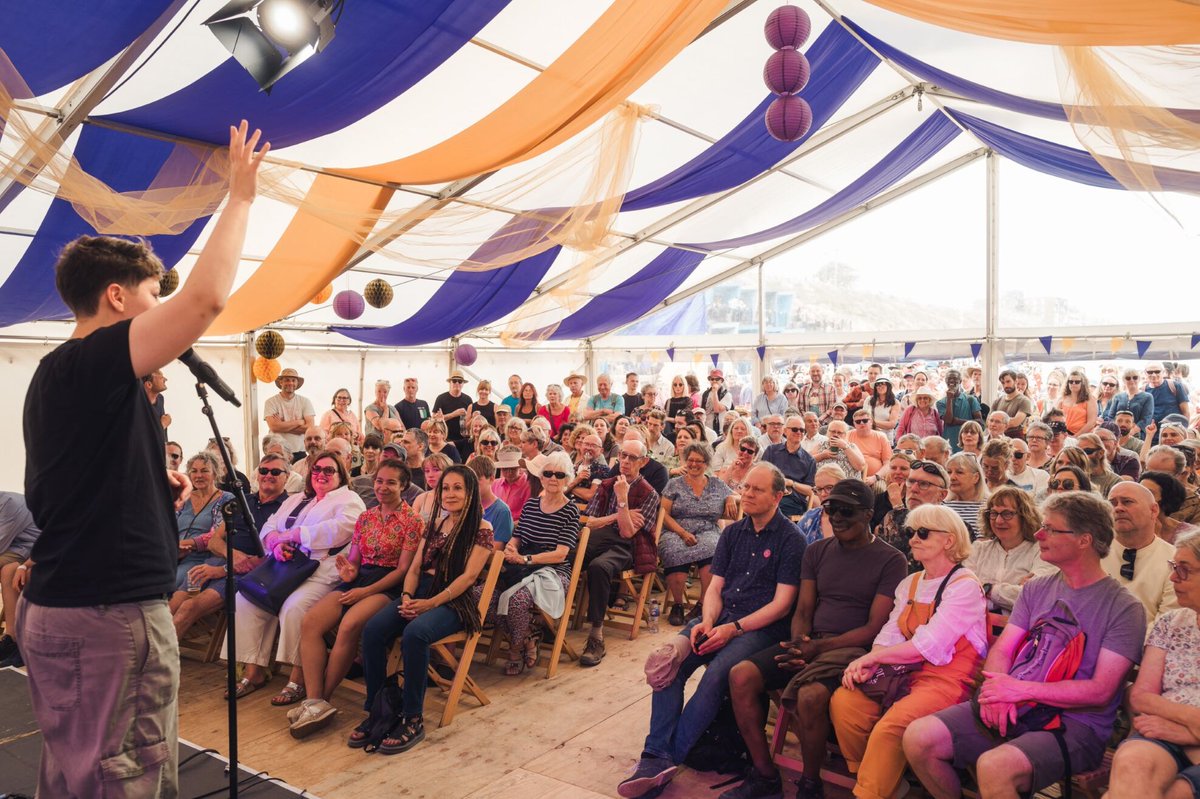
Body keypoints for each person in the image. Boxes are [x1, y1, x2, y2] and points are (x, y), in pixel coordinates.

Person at [14, 123, 264, 799]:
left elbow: (69, 487)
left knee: (76, 775)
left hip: (72, 607)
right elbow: (206, 300)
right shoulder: (90, 360)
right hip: (108, 618)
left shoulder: (62, 377)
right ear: (118, 297)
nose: (161, 314)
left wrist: (153, 478)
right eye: (153, 295)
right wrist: (239, 196)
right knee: (123, 777)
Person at [904, 491, 1147, 799]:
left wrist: (1019, 691)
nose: (1038, 534)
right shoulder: (1037, 588)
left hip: (1074, 724)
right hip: (1013, 703)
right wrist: (997, 693)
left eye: (1051, 529)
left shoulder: (1123, 607)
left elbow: (1100, 691)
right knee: (919, 738)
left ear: (1084, 540)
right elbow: (1003, 650)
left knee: (995, 767)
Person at [617, 464, 805, 799]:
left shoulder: (792, 540)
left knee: (716, 675)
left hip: (761, 628)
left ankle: (664, 760)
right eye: (746, 487)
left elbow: (782, 604)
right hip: (721, 617)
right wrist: (706, 621)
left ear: (778, 496)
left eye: (757, 490)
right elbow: (715, 588)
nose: (747, 494)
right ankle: (656, 756)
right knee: (667, 662)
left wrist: (732, 629)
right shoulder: (733, 533)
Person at [722, 478, 906, 799]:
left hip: (853, 652)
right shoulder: (817, 551)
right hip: (810, 644)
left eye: (846, 511)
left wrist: (815, 648)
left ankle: (810, 784)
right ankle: (765, 774)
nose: (836, 517)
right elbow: (804, 609)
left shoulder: (891, 560)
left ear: (868, 515)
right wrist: (798, 645)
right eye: (830, 508)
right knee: (740, 676)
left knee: (809, 697)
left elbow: (874, 627)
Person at [829, 504, 987, 799]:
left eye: (923, 533)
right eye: (911, 532)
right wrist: (872, 661)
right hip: (904, 672)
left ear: (949, 541)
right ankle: (881, 781)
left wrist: (872, 658)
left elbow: (930, 644)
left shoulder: (964, 586)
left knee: (892, 726)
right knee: (845, 702)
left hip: (947, 679)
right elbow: (890, 632)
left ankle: (868, 792)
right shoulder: (910, 582)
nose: (913, 539)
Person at [355, 466, 494, 753]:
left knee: (415, 635)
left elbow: (468, 577)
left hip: (454, 601)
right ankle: (378, 708)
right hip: (419, 594)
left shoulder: (482, 528)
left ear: (470, 493)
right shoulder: (434, 524)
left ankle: (412, 716)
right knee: (372, 630)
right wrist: (406, 596)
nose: (450, 494)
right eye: (446, 488)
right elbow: (415, 568)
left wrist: (431, 603)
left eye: (458, 488)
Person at [287, 459, 423, 738]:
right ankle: (314, 700)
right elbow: (354, 564)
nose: (383, 487)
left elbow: (403, 570)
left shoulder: (413, 521)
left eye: (391, 482)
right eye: (379, 481)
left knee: (349, 625)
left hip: (388, 586)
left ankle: (321, 700)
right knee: (311, 621)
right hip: (362, 579)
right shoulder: (366, 517)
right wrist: (349, 572)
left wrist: (364, 591)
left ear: (404, 486)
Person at [228, 451, 364, 703]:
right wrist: (274, 544)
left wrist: (294, 535)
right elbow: (270, 525)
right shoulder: (298, 498)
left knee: (295, 608)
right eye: (317, 469)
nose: (321, 475)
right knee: (245, 600)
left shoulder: (349, 499)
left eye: (328, 470)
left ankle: (298, 679)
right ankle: (254, 671)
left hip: (321, 570)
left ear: (340, 474)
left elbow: (342, 529)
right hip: (285, 568)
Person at [1107, 531, 1200, 799]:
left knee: (1178, 793)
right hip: (1165, 731)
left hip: (1171, 728)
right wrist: (1191, 723)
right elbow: (1141, 696)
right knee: (1132, 761)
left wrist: (1190, 732)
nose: (1173, 578)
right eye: (1174, 568)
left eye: (1184, 571)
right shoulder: (1170, 624)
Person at [170, 453, 290, 640]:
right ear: (257, 474)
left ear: (287, 477)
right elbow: (214, 540)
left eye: (275, 471)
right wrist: (231, 555)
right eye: (263, 470)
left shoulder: (288, 507)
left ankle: (157, 662)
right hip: (219, 561)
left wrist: (224, 569)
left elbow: (273, 555)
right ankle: (148, 654)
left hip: (247, 572)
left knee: (189, 607)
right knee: (174, 604)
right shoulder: (242, 501)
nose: (268, 475)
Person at [493, 451, 580, 675]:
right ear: (540, 477)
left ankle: (514, 649)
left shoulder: (570, 510)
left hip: (552, 572)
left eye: (559, 475)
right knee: (481, 596)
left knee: (516, 601)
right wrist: (511, 549)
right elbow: (516, 538)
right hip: (523, 567)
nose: (553, 478)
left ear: (568, 480)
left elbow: (561, 554)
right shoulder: (532, 505)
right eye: (548, 473)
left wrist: (525, 559)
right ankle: (527, 638)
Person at [580, 438, 661, 668]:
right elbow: (590, 523)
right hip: (599, 538)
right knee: (571, 556)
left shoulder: (649, 493)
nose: (625, 461)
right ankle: (547, 621)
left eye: (632, 458)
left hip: (628, 547)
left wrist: (623, 500)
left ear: (643, 462)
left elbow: (627, 533)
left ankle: (596, 636)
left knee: (599, 567)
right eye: (623, 455)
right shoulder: (607, 484)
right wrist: (617, 515)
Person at [660, 444, 739, 626]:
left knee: (712, 548)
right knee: (672, 549)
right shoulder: (674, 483)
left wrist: (730, 498)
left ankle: (703, 604)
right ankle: (677, 605)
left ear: (707, 463)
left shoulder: (716, 484)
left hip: (707, 529)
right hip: (676, 529)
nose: (694, 464)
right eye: (690, 460)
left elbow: (738, 495)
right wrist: (682, 532)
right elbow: (663, 514)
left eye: (698, 461)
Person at [966, 487, 1055, 613]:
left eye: (1007, 514)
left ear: (1025, 516)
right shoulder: (978, 549)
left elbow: (1035, 597)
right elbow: (962, 592)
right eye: (994, 513)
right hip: (976, 626)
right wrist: (1013, 592)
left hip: (1023, 630)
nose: (998, 521)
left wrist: (987, 589)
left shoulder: (1041, 551)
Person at [1102, 482, 1180, 623]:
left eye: (1127, 502)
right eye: (1112, 503)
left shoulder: (1175, 560)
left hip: (1150, 643)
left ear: (1154, 510)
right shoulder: (1092, 553)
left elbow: (1167, 625)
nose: (1118, 508)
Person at [174, 452, 234, 591]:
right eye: (194, 471)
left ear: (215, 473)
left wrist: (183, 544)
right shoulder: (182, 497)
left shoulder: (226, 499)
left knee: (167, 583)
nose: (198, 475)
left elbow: (216, 537)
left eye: (204, 471)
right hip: (172, 555)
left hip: (200, 559)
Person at [878, 460, 950, 573]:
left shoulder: (951, 527)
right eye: (911, 482)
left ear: (942, 495)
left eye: (924, 484)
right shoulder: (891, 517)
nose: (914, 489)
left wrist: (898, 509)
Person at [0, 493, 40, 668]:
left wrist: (25, 566)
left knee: (10, 571)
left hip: (31, 547)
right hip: (17, 546)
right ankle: (11, 639)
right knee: (9, 571)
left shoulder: (8, 504)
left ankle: (16, 642)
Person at [761, 416, 817, 517]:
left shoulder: (809, 460)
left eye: (802, 430)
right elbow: (760, 474)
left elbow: (810, 490)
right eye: (795, 429)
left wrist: (791, 483)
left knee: (773, 507)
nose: (799, 432)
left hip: (793, 501)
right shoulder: (771, 451)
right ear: (785, 431)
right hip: (769, 493)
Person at [266, 368, 316, 461]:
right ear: (281, 382)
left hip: (299, 452)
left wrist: (282, 425)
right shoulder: (271, 402)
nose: (290, 383)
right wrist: (299, 422)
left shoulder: (305, 401)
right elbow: (274, 427)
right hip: (277, 452)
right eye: (287, 380)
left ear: (297, 383)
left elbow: (310, 428)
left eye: (293, 380)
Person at [796, 464, 849, 546]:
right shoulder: (808, 518)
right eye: (819, 489)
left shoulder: (854, 519)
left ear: (843, 487)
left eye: (829, 488)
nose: (823, 494)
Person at [1140, 471, 1198, 544]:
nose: (1139, 496)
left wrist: (1156, 538)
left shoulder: (1190, 535)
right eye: (1138, 491)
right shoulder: (1126, 526)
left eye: (1149, 493)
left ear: (1166, 498)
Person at [470, 455, 514, 548]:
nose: (472, 484)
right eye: (469, 480)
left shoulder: (502, 511)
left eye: (477, 479)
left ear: (491, 479)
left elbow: (497, 549)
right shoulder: (466, 505)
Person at [936, 369, 982, 452]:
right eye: (949, 378)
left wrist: (957, 421)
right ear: (946, 381)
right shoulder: (941, 403)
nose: (952, 380)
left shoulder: (970, 400)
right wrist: (949, 399)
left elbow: (979, 422)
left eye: (955, 378)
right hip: (949, 444)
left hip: (968, 444)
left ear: (960, 381)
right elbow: (949, 420)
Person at [945, 452, 987, 538]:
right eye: (949, 472)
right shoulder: (942, 505)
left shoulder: (988, 506)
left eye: (959, 472)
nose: (952, 477)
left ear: (976, 477)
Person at [1145, 363, 1190, 439]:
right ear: (1145, 373)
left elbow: (1186, 411)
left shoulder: (1175, 386)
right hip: (1152, 435)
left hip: (1174, 434)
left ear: (1163, 372)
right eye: (1150, 372)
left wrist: (1184, 430)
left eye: (1157, 371)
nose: (1153, 374)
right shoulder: (1144, 390)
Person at [433, 371, 473, 448]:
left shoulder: (468, 399)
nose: (457, 383)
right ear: (450, 383)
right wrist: (454, 414)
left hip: (463, 440)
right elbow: (434, 419)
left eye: (460, 381)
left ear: (463, 384)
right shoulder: (441, 398)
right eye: (454, 381)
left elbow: (470, 420)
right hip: (445, 439)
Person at [848, 409, 891, 481]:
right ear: (854, 424)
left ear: (871, 422)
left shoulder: (881, 437)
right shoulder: (848, 435)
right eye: (858, 422)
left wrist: (875, 477)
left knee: (879, 489)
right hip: (851, 477)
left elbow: (888, 463)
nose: (861, 423)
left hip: (875, 478)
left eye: (865, 420)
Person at [494, 447, 533, 523]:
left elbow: (529, 516)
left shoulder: (529, 486)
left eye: (513, 468)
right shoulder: (495, 484)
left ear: (519, 467)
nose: (509, 472)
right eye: (505, 469)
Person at [994, 370, 1034, 438]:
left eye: (1008, 381)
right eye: (1003, 383)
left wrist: (995, 423)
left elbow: (1015, 422)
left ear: (1015, 381)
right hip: (997, 437)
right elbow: (988, 421)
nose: (1006, 385)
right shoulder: (997, 401)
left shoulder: (1025, 401)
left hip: (1015, 439)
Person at [142, 369, 170, 435]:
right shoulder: (137, 405)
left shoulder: (160, 398)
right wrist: (162, 425)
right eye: (161, 377)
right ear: (149, 384)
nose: (165, 379)